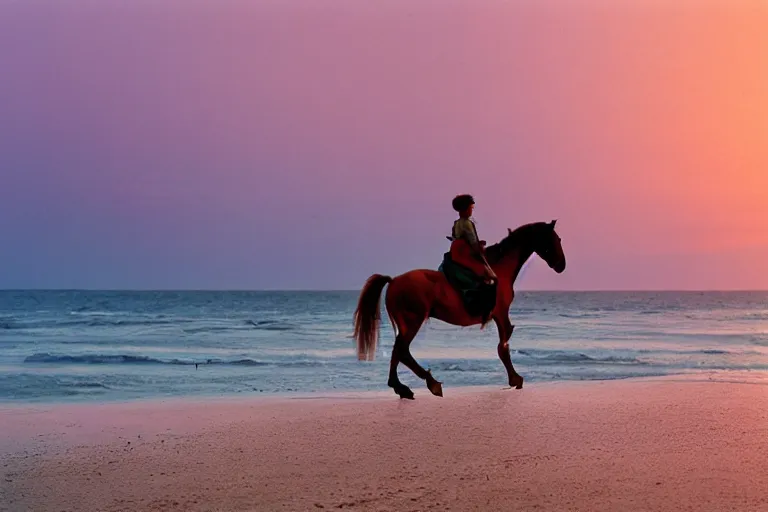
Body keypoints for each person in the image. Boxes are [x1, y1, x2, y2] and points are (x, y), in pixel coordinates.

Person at [448, 194, 498, 285]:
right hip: (465, 253)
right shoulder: (467, 223)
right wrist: (480, 248)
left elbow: (455, 237)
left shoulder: (457, 223)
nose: (472, 210)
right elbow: (473, 241)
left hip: (455, 251)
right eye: (471, 208)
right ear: (466, 209)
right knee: (490, 275)